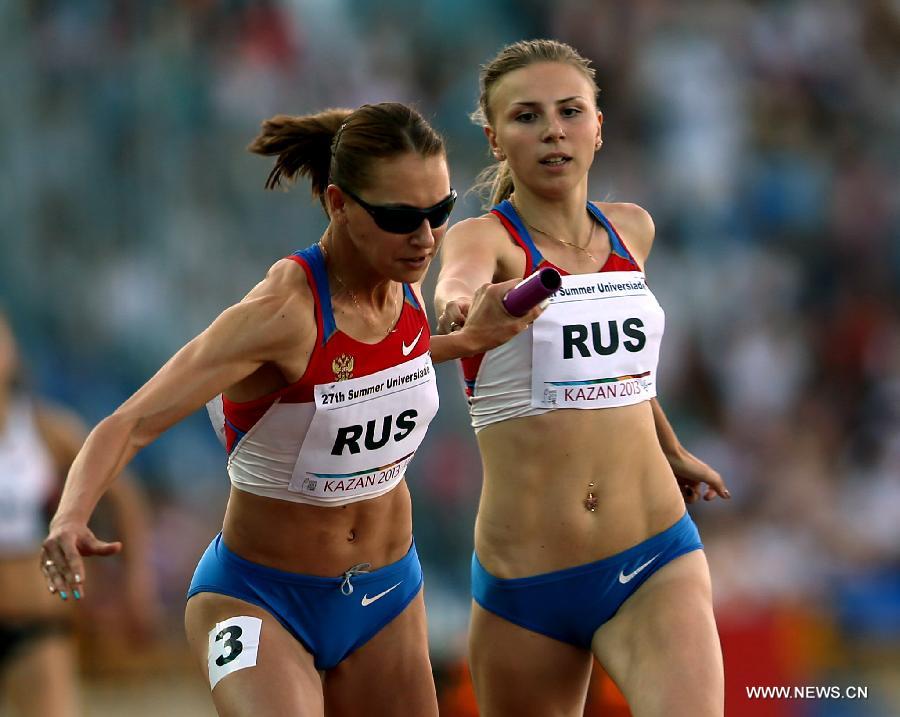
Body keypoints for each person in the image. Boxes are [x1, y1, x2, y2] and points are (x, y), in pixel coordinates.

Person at [40, 102, 538, 717]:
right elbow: (131, 421)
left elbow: (373, 366)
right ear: (338, 205)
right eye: (400, 217)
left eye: (440, 212)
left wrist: (463, 342)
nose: (426, 237)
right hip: (261, 601)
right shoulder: (281, 314)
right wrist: (70, 514)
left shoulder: (402, 281)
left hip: (386, 596)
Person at [435, 40, 731, 716]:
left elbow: (622, 370)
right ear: (495, 138)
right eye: (527, 117)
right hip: (525, 584)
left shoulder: (633, 230)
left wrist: (671, 446)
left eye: (570, 112)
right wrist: (460, 309)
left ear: (598, 126)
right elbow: (456, 286)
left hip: (653, 553)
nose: (552, 131)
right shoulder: (487, 240)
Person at [0, 312, 154, 717]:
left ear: (13, 351)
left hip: (33, 623)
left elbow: (122, 496)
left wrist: (136, 580)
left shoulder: (46, 431)